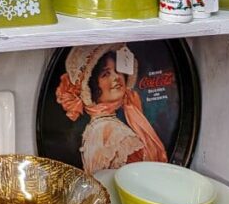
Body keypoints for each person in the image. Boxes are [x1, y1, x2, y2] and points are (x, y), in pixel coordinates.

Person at [56, 44, 168, 174]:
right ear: (92, 85)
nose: (116, 77)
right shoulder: (115, 132)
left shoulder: (96, 127)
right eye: (105, 74)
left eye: (118, 70)